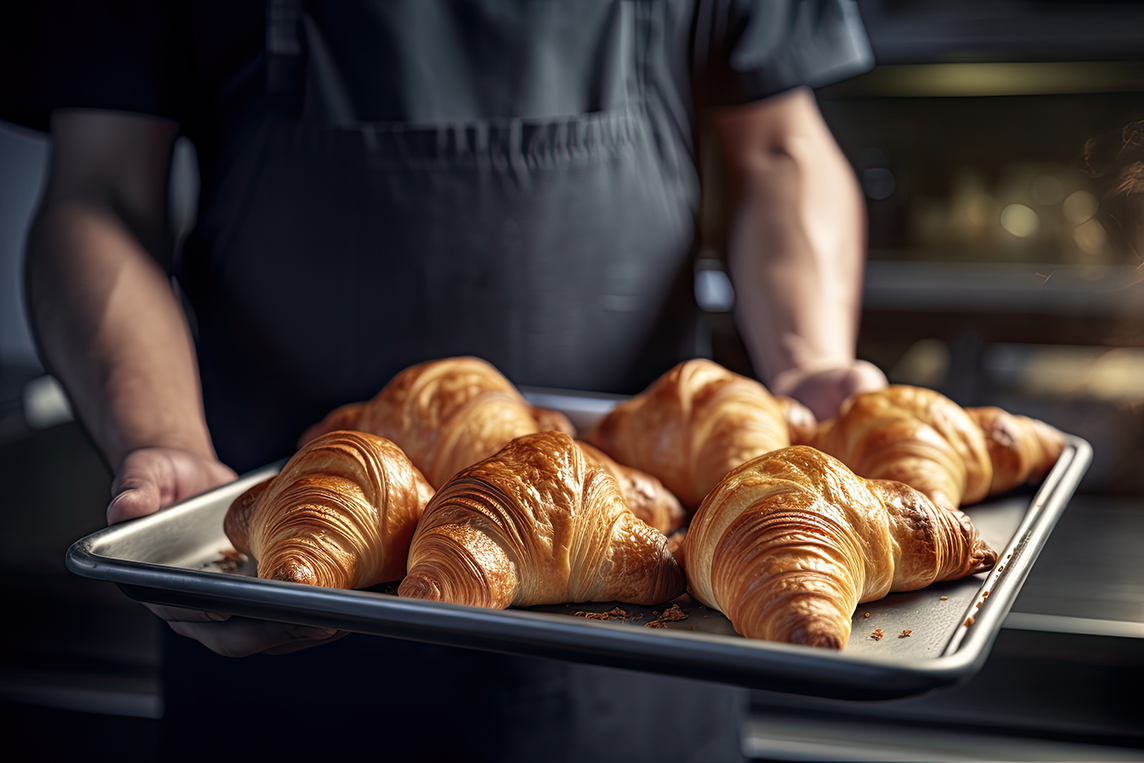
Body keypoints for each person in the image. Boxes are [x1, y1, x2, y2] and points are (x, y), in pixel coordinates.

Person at [15, 1, 886, 760]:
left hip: (653, 609)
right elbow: (98, 194)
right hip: (269, 582)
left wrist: (807, 364)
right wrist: (161, 440)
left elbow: (778, 148)